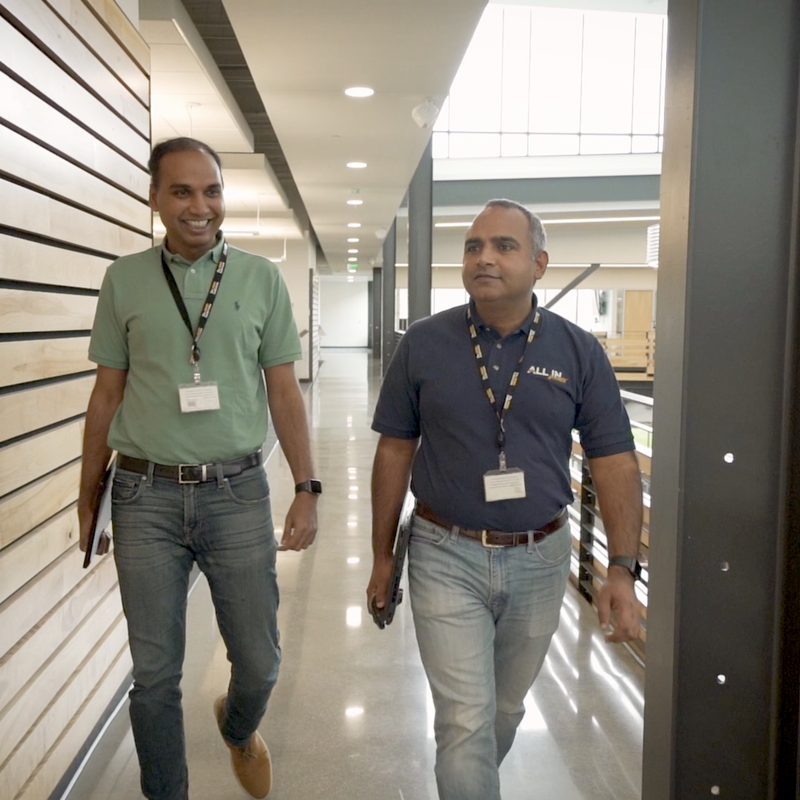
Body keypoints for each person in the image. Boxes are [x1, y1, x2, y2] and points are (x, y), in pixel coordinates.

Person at [367, 198, 642, 800]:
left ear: (540, 263)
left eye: (503, 246)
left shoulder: (577, 351)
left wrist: (621, 567)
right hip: (444, 549)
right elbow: (394, 451)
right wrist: (383, 556)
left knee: (504, 711)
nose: (484, 258)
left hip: (541, 557)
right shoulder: (424, 343)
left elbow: (615, 460)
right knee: (465, 722)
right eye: (473, 247)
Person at [78, 137, 322, 800]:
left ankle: (239, 728)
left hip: (237, 492)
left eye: (211, 191)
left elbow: (283, 391)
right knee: (154, 675)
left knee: (261, 660)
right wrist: (88, 495)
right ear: (155, 198)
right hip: (143, 494)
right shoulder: (124, 280)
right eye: (182, 191)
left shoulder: (260, 278)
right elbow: (106, 394)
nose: (199, 206)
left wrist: (306, 487)